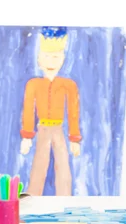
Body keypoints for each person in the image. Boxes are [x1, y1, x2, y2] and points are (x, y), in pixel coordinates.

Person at [20, 26, 81, 196]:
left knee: (63, 166)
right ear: (39, 58)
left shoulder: (68, 85)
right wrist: (27, 136)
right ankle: (33, 200)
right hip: (42, 129)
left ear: (62, 59)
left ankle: (65, 201)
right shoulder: (33, 84)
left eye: (56, 57)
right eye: (47, 56)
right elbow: (28, 109)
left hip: (59, 129)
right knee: (39, 166)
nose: (51, 62)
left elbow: (73, 111)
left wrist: (74, 138)